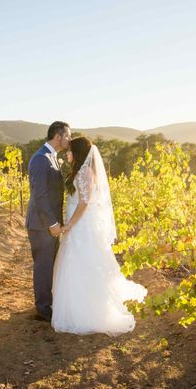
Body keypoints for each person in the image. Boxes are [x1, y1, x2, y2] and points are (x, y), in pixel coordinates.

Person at [51, 136, 147, 336]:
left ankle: (89, 309)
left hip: (81, 224)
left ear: (77, 153)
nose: (66, 153)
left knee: (83, 262)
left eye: (69, 151)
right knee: (75, 262)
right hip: (77, 222)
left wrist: (69, 224)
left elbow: (84, 203)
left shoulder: (86, 171)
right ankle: (73, 304)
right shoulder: (79, 171)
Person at [26, 121, 71, 322]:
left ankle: (48, 304)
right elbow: (40, 196)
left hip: (50, 223)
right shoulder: (40, 159)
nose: (69, 139)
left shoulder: (52, 158)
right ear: (58, 136)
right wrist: (52, 224)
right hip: (41, 224)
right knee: (43, 267)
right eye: (67, 135)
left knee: (50, 265)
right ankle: (43, 310)